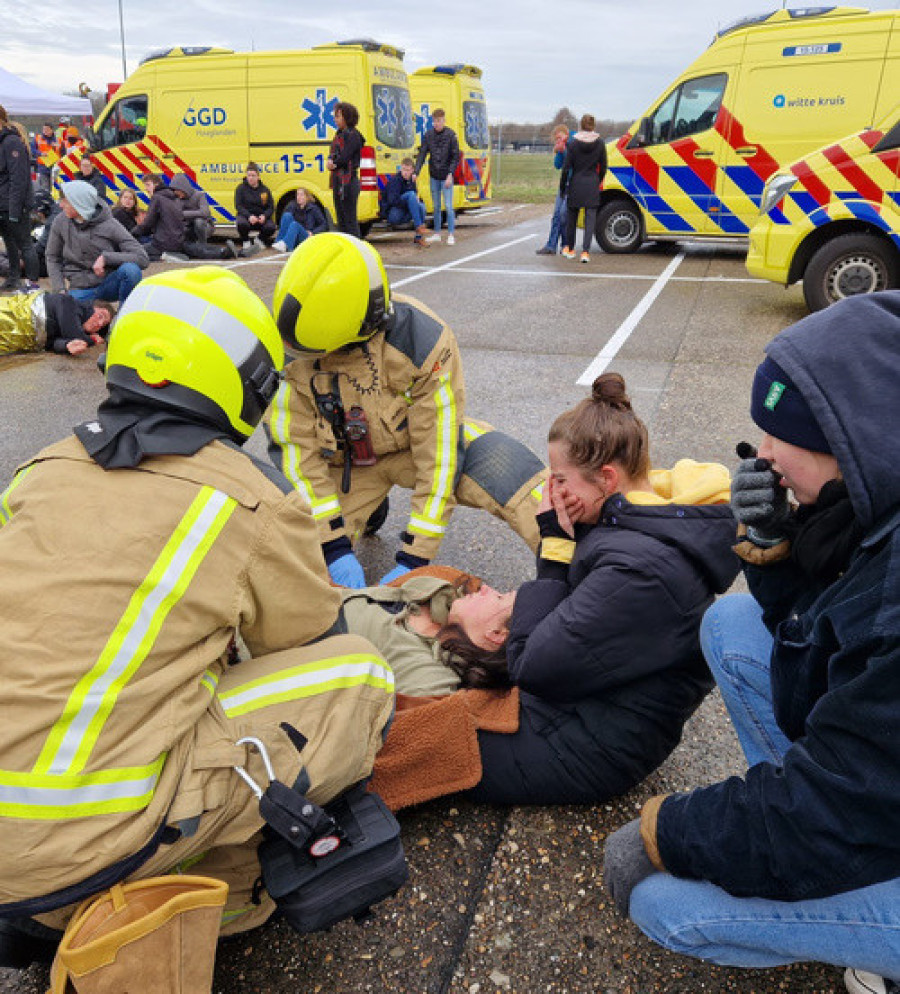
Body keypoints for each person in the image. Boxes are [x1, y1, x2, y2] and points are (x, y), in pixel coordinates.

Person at [0, 266, 394, 969]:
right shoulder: (247, 496)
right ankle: (196, 892)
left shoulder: (39, 470)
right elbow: (306, 645)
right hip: (73, 844)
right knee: (359, 676)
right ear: (246, 385)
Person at [602, 292, 900, 994]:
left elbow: (837, 809)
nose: (761, 453)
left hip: (872, 807)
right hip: (880, 783)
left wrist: (665, 832)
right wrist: (773, 543)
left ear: (852, 440)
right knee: (733, 626)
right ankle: (801, 829)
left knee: (668, 906)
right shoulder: (875, 505)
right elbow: (820, 627)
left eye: (780, 434)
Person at [463, 372, 739, 803]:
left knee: (424, 746)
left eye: (559, 479)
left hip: (596, 745)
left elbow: (531, 669)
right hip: (593, 700)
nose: (552, 491)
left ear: (607, 479)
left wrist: (555, 549)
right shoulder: (642, 516)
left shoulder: (639, 571)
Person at [265, 232, 546, 588]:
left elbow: (439, 454)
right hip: (346, 463)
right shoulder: (290, 345)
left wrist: (415, 556)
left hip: (414, 447)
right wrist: (333, 547)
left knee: (511, 473)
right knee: (296, 566)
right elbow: (296, 455)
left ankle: (574, 557)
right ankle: (366, 510)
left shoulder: (423, 342)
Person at [341, 573, 513, 698]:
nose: (486, 588)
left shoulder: (428, 680)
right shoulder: (445, 592)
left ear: (496, 634)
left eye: (499, 597)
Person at [46, 179, 149, 305]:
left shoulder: (110, 224)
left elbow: (142, 257)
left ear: (79, 203)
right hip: (80, 289)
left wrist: (106, 258)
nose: (61, 205)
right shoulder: (60, 221)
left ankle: (124, 313)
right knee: (60, 308)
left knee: (131, 271)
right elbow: (52, 257)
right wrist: (60, 290)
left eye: (65, 201)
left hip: (108, 284)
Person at [133, 173, 238, 262]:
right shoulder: (172, 197)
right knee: (195, 249)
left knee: (137, 252)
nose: (146, 188)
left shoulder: (158, 198)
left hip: (164, 242)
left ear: (156, 185)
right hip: (179, 238)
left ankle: (166, 257)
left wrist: (132, 233)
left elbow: (148, 223)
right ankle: (223, 252)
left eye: (148, 185)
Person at [0, 105, 40, 293]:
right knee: (9, 243)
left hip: (15, 204)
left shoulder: (11, 142)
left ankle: (32, 283)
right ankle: (14, 277)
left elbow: (19, 179)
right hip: (3, 204)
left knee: (25, 244)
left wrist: (15, 209)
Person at [0, 290, 112, 355]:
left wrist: (66, 346)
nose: (99, 323)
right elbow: (71, 330)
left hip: (11, 340)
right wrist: (91, 340)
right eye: (100, 316)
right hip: (15, 314)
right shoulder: (68, 302)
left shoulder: (71, 331)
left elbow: (51, 344)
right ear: (92, 307)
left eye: (102, 325)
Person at [560, 113, 607, 263]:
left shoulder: (573, 144)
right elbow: (604, 166)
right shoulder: (600, 143)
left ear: (581, 125)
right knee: (590, 220)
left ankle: (571, 249)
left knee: (572, 219)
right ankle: (585, 252)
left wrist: (562, 187)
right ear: (593, 126)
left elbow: (566, 168)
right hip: (592, 183)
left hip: (576, 183)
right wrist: (597, 180)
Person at [415, 108, 460, 245]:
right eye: (434, 121)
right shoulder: (428, 135)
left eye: (439, 121)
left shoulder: (451, 135)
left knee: (448, 206)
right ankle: (437, 233)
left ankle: (451, 234)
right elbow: (422, 154)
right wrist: (416, 171)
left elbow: (455, 157)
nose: (436, 123)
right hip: (434, 175)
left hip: (446, 176)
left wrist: (450, 174)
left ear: (444, 121)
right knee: (436, 207)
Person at [327, 102, 364, 238]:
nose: (335, 119)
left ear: (347, 117)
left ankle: (356, 246)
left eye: (338, 116)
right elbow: (334, 153)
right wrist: (330, 160)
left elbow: (345, 157)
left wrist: (334, 163)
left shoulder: (354, 135)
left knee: (350, 220)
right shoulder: (338, 134)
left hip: (349, 181)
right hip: (338, 181)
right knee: (341, 219)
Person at [536, 126, 571, 256]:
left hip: (573, 184)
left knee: (564, 215)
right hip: (564, 184)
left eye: (559, 137)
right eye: (556, 139)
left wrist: (565, 149)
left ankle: (566, 245)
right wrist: (559, 152)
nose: (558, 140)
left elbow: (574, 160)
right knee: (556, 215)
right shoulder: (562, 146)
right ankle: (551, 245)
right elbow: (557, 165)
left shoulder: (574, 142)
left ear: (566, 134)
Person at [380, 158, 429, 247]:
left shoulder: (412, 181)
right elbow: (392, 201)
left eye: (408, 170)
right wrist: (410, 203)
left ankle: (419, 237)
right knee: (411, 195)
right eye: (403, 170)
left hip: (403, 210)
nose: (405, 172)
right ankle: (419, 226)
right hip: (393, 213)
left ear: (412, 170)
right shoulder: (395, 181)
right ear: (401, 169)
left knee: (421, 207)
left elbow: (416, 198)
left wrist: (416, 201)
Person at [272, 187, 328, 253]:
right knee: (287, 215)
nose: (299, 197)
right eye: (297, 194)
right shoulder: (292, 205)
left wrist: (313, 232)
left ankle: (286, 245)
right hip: (294, 235)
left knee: (295, 225)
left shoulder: (314, 208)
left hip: (306, 235)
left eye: (301, 195)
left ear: (307, 197)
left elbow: (324, 224)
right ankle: (280, 242)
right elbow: (285, 221)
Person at [234, 162, 275, 251]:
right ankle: (246, 241)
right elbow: (238, 206)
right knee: (241, 224)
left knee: (271, 227)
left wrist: (264, 216)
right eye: (249, 175)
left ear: (258, 177)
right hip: (247, 218)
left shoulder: (265, 190)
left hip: (260, 219)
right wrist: (249, 216)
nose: (251, 178)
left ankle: (259, 239)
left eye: (253, 175)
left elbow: (271, 207)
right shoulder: (240, 189)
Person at [171, 172, 215, 244]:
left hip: (204, 226)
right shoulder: (176, 198)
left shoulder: (199, 195)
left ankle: (202, 244)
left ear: (184, 189)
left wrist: (183, 213)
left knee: (199, 221)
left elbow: (205, 212)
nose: (179, 196)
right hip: (187, 226)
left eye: (179, 193)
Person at [31, 123, 60, 193]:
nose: (45, 131)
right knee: (44, 188)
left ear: (52, 130)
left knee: (56, 188)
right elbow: (32, 150)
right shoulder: (37, 138)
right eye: (44, 129)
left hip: (55, 167)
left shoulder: (58, 140)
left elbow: (62, 152)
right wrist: (40, 153)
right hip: (43, 167)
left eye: (47, 129)